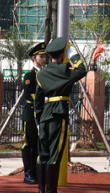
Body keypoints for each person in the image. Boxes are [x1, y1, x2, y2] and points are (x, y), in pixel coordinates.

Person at [34, 37, 87, 193]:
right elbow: (82, 70)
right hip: (58, 115)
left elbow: (38, 101)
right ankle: (51, 191)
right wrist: (74, 55)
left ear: (50, 55)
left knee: (42, 154)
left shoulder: (41, 74)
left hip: (44, 116)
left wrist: (38, 121)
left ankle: (41, 190)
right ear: (63, 55)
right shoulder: (66, 70)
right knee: (55, 154)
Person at [20, 42, 48, 185]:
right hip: (31, 114)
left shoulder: (46, 74)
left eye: (45, 56)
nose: (44, 59)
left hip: (43, 114)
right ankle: (28, 173)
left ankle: (37, 172)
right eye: (41, 56)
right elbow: (29, 94)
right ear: (34, 58)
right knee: (28, 144)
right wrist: (43, 99)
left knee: (38, 145)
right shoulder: (30, 75)